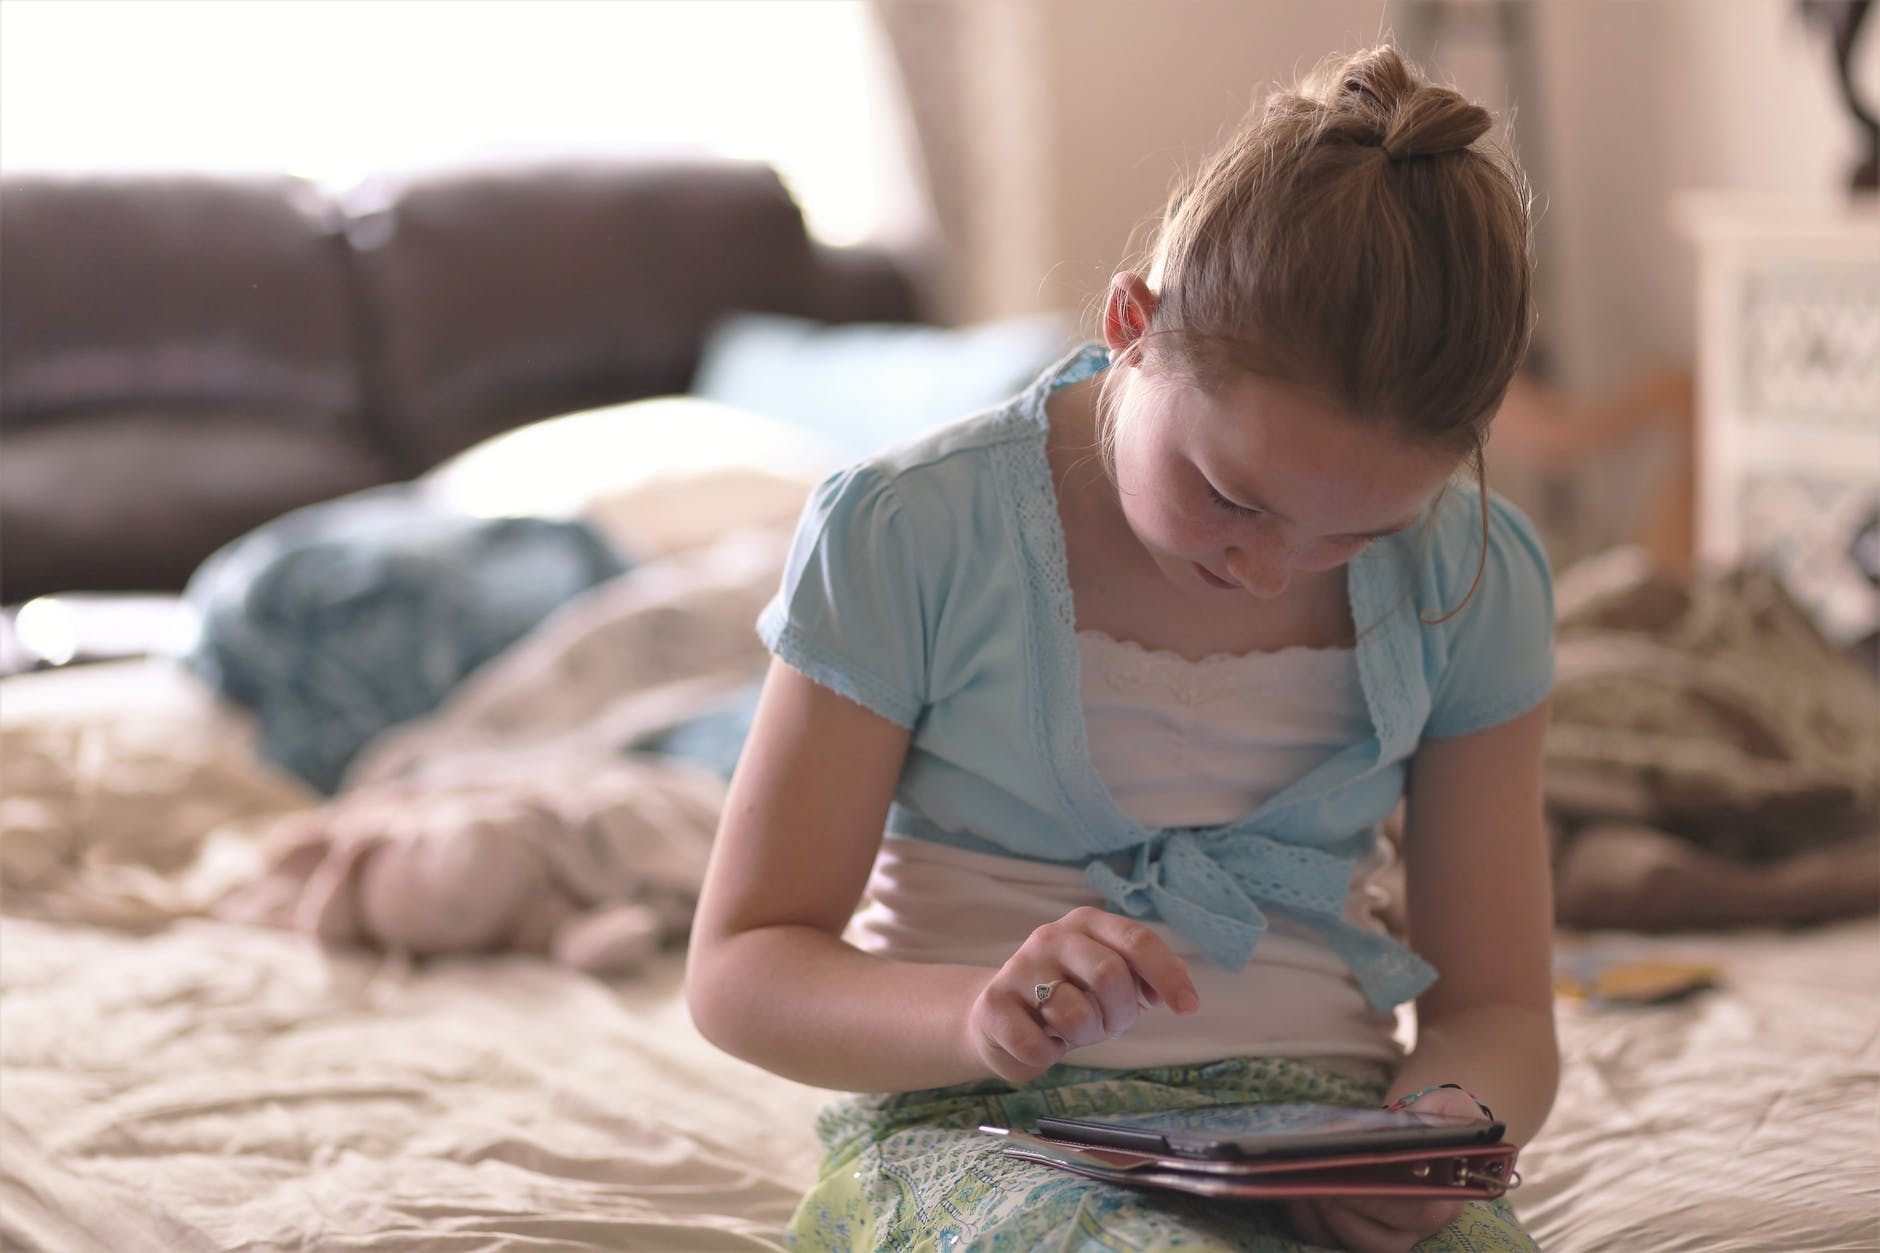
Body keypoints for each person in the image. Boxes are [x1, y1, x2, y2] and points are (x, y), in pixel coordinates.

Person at [687, 44, 1557, 1253]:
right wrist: (977, 1016)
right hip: (979, 1126)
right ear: (1130, 325)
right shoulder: (908, 531)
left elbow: (1500, 1003)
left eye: (1358, 530)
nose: (1267, 567)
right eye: (1231, 498)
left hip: (1322, 1133)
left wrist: (1439, 1132)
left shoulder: (1475, 574)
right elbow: (740, 967)